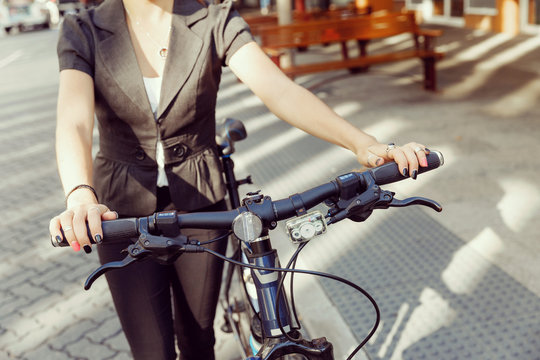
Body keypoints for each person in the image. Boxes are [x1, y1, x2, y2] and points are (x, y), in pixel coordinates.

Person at [48, 0, 430, 358]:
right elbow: (75, 121)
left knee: (199, 338)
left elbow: (278, 90)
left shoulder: (214, 20)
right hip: (122, 212)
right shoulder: (84, 29)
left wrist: (364, 144)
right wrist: (80, 195)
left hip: (202, 207)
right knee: (151, 351)